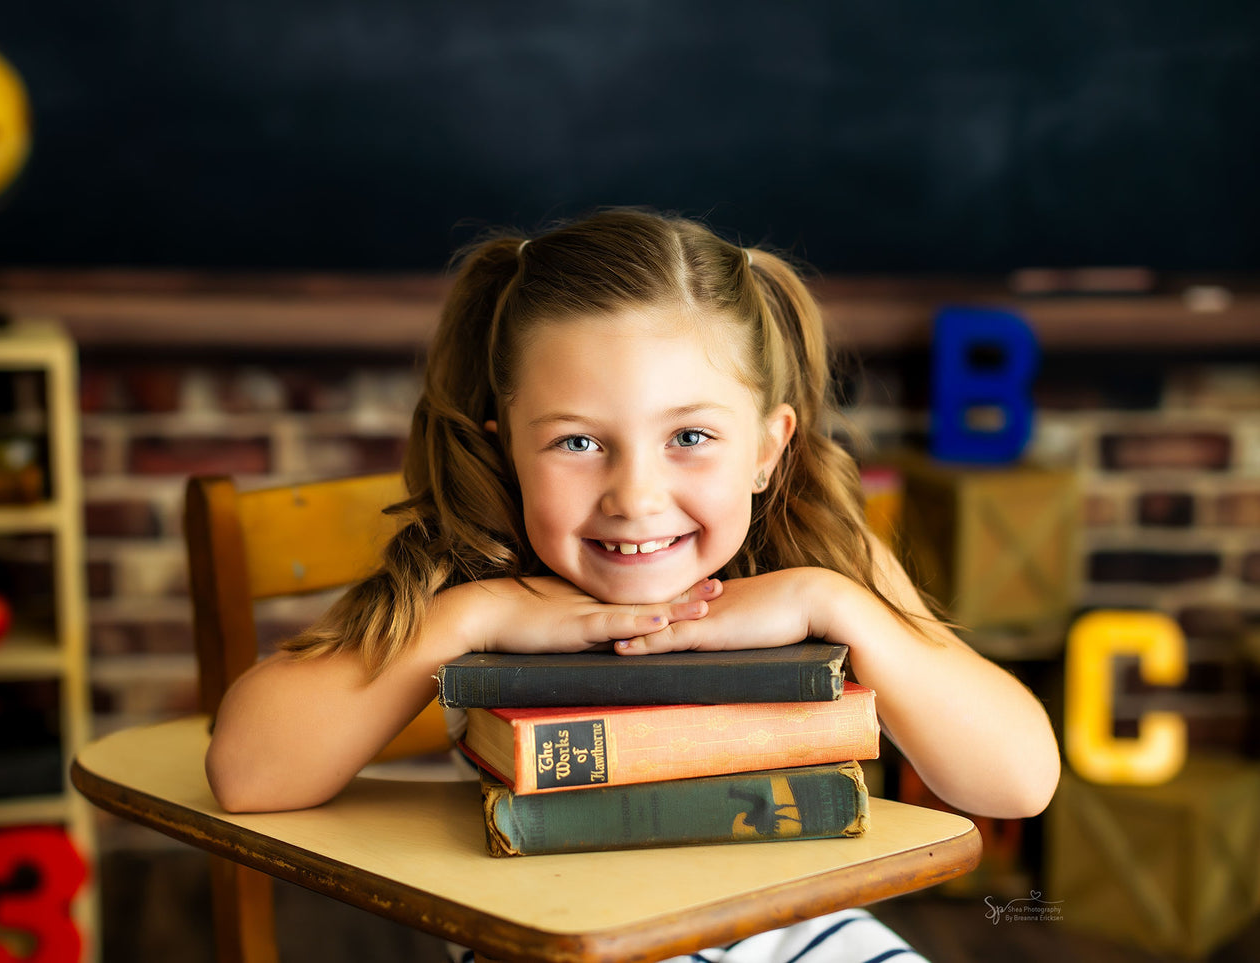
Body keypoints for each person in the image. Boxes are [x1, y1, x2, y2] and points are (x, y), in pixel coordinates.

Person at [205, 208, 1061, 962]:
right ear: (508, 448)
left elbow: (1018, 779)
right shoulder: (480, 569)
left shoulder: (819, 558)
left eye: (688, 434)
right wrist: (473, 616)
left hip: (791, 929)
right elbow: (247, 773)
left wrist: (835, 607)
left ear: (767, 447)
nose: (634, 496)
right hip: (554, 938)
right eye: (576, 442)